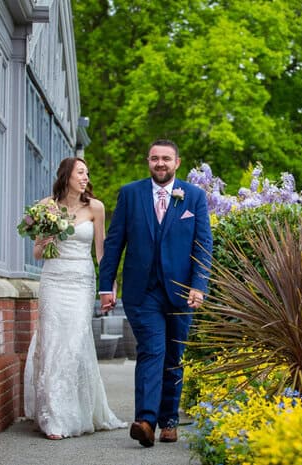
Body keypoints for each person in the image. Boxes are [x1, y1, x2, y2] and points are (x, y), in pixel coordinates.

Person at [98, 139, 213, 447]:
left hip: (181, 292)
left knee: (174, 356)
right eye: (154, 159)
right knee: (152, 350)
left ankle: (169, 419)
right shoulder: (130, 194)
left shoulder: (195, 197)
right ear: (148, 161)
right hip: (142, 292)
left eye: (166, 159)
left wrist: (199, 287)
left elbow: (203, 247)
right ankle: (146, 421)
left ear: (176, 163)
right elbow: (114, 244)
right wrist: (105, 286)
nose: (160, 163)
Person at [24, 157, 127, 440]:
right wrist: (48, 237)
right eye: (80, 172)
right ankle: (53, 416)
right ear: (66, 175)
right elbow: (36, 253)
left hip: (81, 282)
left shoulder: (95, 208)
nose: (85, 177)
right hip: (53, 280)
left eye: (87, 173)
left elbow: (102, 252)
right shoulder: (46, 207)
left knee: (73, 341)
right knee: (53, 341)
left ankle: (73, 410)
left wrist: (110, 285)